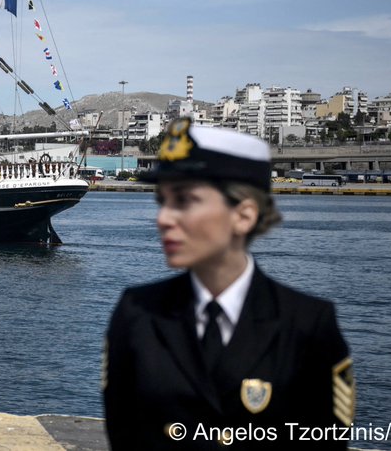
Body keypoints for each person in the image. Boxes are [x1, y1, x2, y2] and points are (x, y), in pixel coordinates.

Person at [104, 118, 353, 450]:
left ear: (244, 215)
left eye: (185, 201)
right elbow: (123, 435)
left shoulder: (307, 324)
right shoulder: (137, 313)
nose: (163, 218)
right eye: (163, 201)